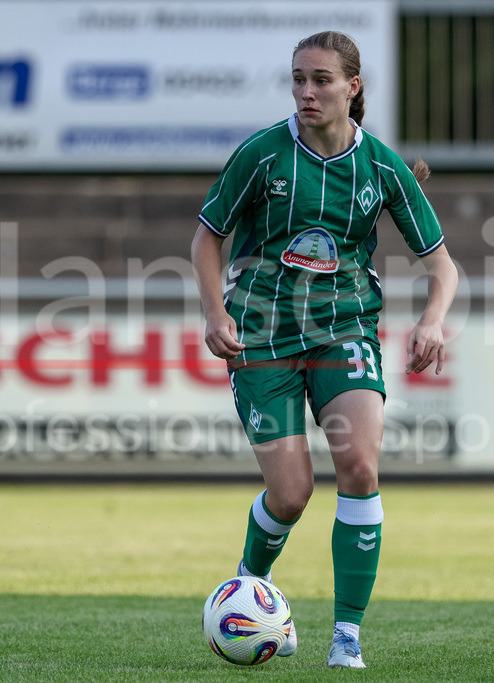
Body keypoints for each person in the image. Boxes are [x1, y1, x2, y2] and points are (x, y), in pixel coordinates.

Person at [190, 30, 457, 669]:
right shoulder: (262, 154)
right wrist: (215, 313)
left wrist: (431, 322)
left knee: (360, 467)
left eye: (321, 80)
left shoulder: (382, 167)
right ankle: (250, 586)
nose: (306, 92)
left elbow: (442, 266)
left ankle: (346, 637)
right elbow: (206, 239)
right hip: (262, 338)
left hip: (345, 330)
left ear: (352, 86)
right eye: (298, 79)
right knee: (291, 494)